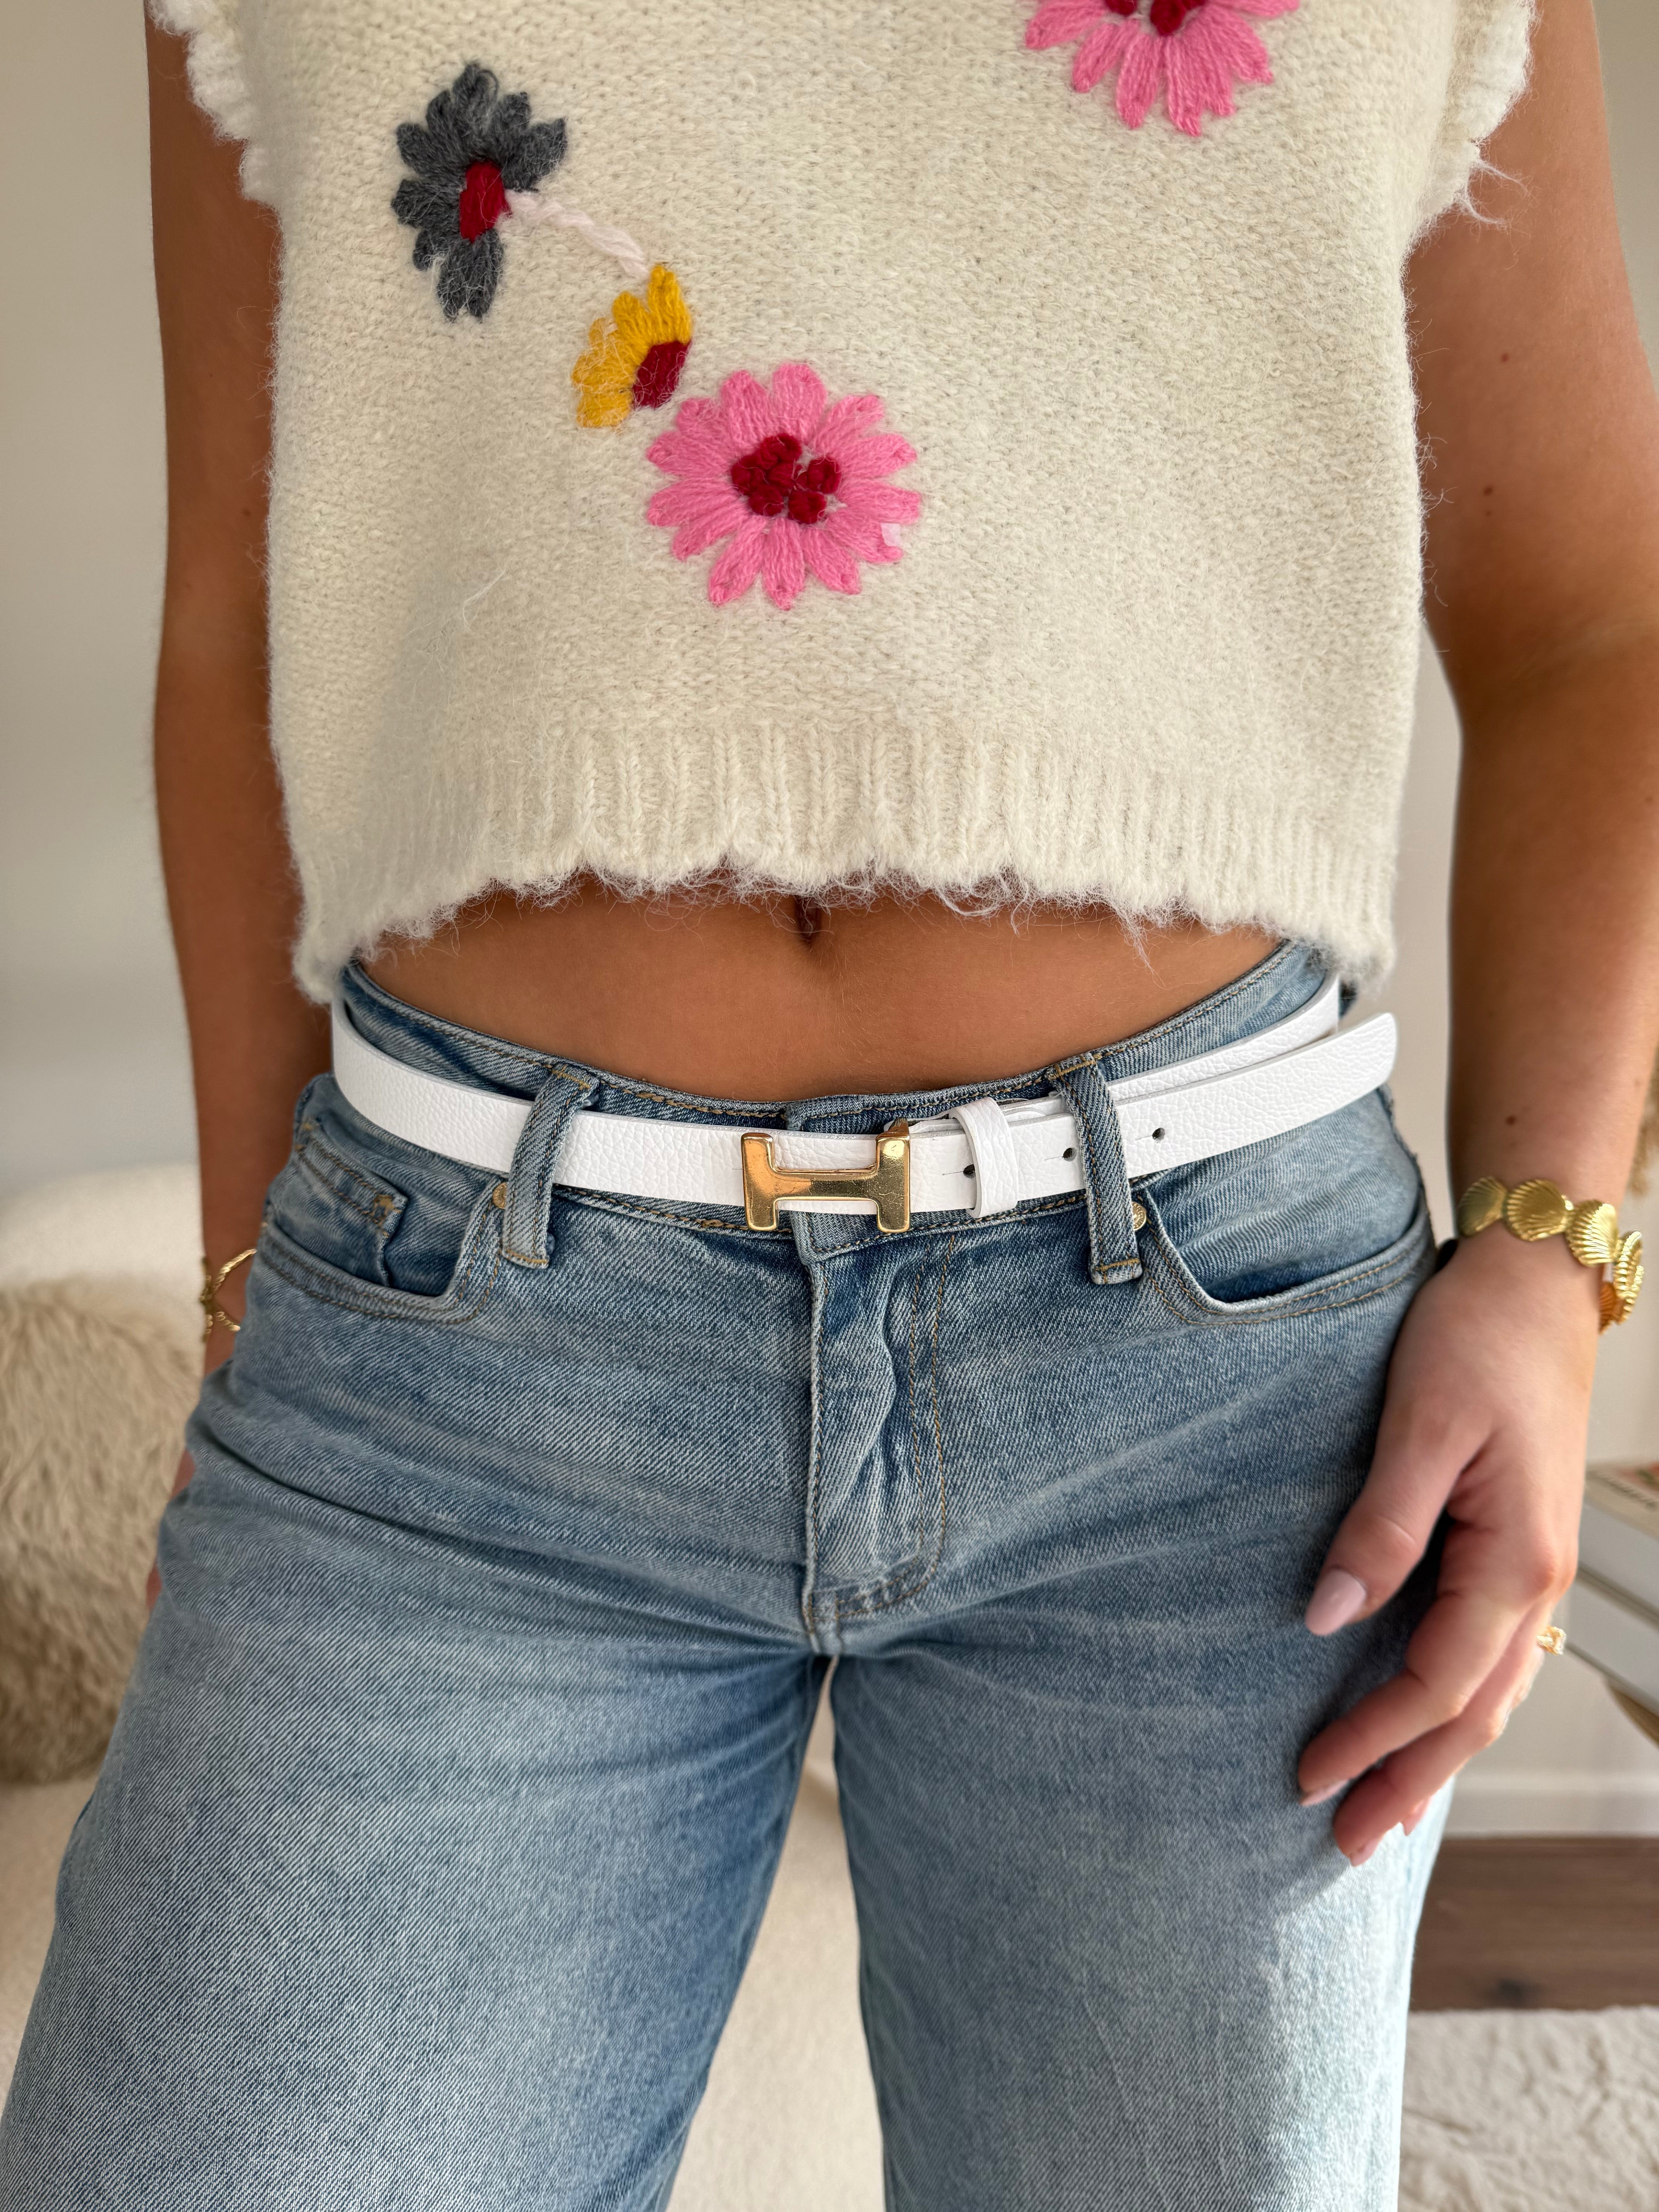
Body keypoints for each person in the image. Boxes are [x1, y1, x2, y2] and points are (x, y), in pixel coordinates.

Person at [3, 1, 1657, 2205]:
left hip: (1215, 1386)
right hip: (458, 1362)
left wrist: (1552, 1262)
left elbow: (1591, 623)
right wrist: (248, 1293)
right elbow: (237, 623)